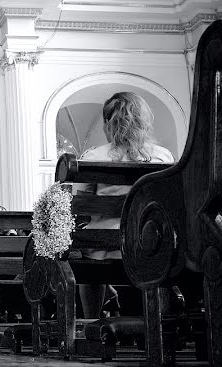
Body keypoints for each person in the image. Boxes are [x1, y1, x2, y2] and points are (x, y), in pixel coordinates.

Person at [75, 91, 174, 318]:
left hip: (105, 248)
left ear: (108, 124)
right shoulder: (164, 157)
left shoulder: (92, 157)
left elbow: (81, 208)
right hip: (150, 245)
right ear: (144, 121)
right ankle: (154, 322)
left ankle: (92, 320)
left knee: (90, 249)